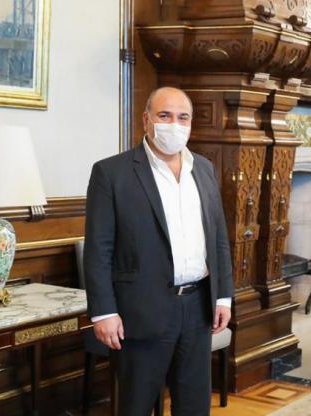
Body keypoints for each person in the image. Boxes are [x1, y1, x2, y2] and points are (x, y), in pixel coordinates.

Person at [84, 87, 234, 416]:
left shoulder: (204, 168)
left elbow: (218, 238)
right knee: (135, 407)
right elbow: (98, 249)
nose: (174, 124)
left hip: (198, 308)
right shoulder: (112, 173)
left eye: (183, 117)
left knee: (194, 408)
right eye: (165, 116)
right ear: (146, 120)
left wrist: (223, 296)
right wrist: (104, 312)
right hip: (140, 311)